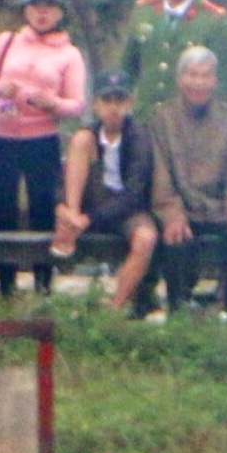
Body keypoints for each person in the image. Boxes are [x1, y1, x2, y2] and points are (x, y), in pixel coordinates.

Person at [0, 0, 87, 265]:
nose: (42, 13)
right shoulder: (6, 41)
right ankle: (5, 281)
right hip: (2, 136)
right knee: (3, 207)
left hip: (42, 139)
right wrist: (1, 87)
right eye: (36, 6)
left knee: (42, 207)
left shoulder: (69, 54)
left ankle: (43, 279)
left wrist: (53, 104)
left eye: (49, 6)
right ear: (25, 9)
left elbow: (77, 104)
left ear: (60, 12)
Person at [148, 44, 227, 308]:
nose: (199, 82)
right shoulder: (162, 118)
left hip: (220, 208)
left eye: (206, 76)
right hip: (180, 207)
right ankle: (179, 309)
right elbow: (160, 174)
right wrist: (172, 214)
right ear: (180, 79)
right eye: (192, 75)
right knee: (175, 239)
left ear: (215, 81)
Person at [53, 73, 164, 311]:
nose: (113, 107)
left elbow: (134, 194)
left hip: (125, 209)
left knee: (146, 238)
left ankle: (115, 304)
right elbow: (62, 183)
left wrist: (90, 219)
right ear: (96, 104)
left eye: (120, 100)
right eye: (107, 100)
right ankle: (70, 225)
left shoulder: (139, 137)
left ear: (129, 104)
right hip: (89, 202)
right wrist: (65, 209)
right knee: (81, 140)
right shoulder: (88, 135)